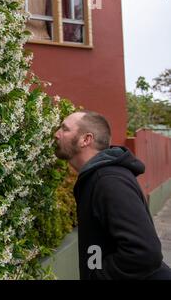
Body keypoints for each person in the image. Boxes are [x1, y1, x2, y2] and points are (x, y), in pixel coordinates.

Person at [54, 110, 171, 280]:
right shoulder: (97, 178)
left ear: (86, 139)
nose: (56, 134)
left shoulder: (109, 181)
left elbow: (144, 252)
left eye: (64, 129)